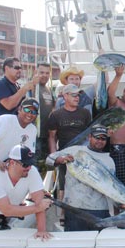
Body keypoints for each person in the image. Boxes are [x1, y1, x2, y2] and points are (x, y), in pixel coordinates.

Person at [46, 124, 125, 231]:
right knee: (76, 246)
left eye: (103, 138)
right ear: (89, 137)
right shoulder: (75, 150)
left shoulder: (109, 160)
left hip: (99, 211)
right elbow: (49, 159)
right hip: (74, 209)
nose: (100, 141)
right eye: (97, 137)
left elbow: (112, 190)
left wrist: (122, 206)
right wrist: (61, 159)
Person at [0, 145, 53, 240]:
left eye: (31, 164)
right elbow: (7, 210)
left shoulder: (32, 172)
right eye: (25, 164)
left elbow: (40, 202)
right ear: (12, 162)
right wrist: (37, 208)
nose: (29, 168)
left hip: (10, 213)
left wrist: (41, 231)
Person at [48, 84, 91, 215]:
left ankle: (85, 212)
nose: (77, 98)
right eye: (73, 95)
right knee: (63, 186)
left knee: (84, 184)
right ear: (65, 96)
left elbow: (90, 135)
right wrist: (55, 157)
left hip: (82, 156)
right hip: (64, 156)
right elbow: (52, 137)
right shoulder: (56, 115)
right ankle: (63, 215)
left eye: (78, 95)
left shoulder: (85, 113)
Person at [0, 98, 39, 171]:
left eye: (33, 112)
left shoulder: (33, 129)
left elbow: (28, 154)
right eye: (26, 110)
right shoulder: (5, 120)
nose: (30, 114)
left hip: (10, 169)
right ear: (19, 109)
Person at [34, 62, 55, 176]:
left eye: (47, 73)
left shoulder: (48, 90)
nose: (44, 75)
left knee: (45, 166)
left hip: (47, 136)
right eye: (41, 72)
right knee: (35, 165)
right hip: (35, 135)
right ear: (36, 72)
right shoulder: (33, 86)